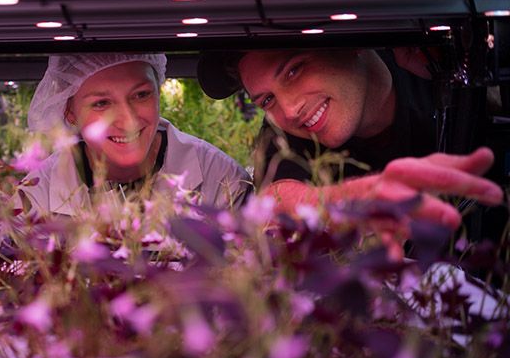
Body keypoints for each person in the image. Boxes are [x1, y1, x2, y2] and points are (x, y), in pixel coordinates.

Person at [197, 48, 503, 238]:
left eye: (294, 70)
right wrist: (358, 199)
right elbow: (278, 199)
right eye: (267, 99)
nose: (289, 110)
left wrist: (478, 82)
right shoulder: (279, 133)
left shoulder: (426, 64)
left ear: (352, 42)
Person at [18, 53, 252, 217]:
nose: (128, 121)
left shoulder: (221, 179)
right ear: (69, 111)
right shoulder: (37, 194)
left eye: (141, 95)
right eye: (101, 103)